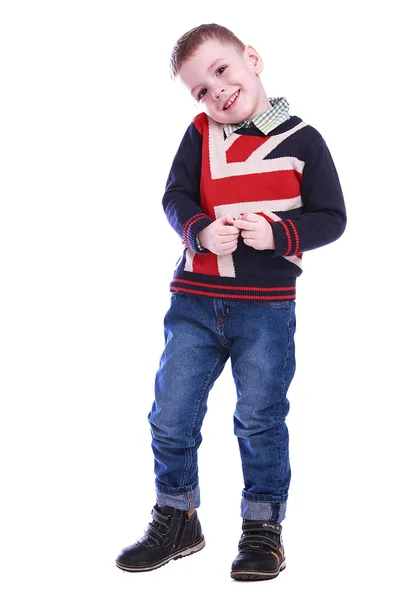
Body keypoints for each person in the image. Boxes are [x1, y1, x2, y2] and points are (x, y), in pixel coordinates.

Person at [116, 23, 346, 581]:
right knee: (170, 414)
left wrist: (279, 234)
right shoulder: (199, 134)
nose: (215, 91)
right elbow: (175, 196)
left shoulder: (304, 141)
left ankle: (263, 529)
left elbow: (332, 219)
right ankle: (177, 515)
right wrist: (198, 232)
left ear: (252, 59)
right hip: (195, 301)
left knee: (260, 418)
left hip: (265, 309)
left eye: (221, 72)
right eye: (200, 89)